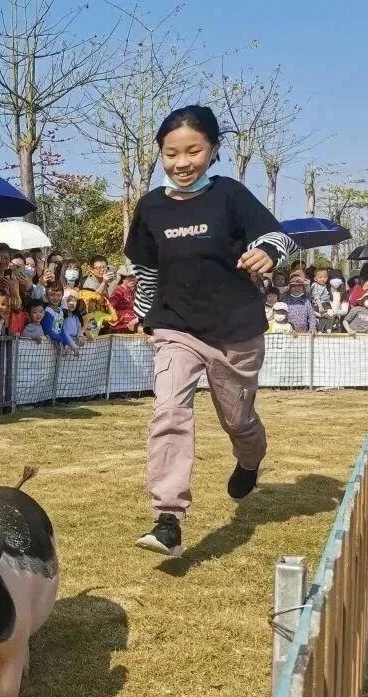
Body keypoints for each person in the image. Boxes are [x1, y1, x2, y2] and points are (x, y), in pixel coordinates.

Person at [125, 104, 297, 557]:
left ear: (214, 150)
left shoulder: (230, 195)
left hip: (235, 329)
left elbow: (279, 237)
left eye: (193, 151)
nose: (182, 162)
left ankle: (250, 459)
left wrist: (267, 253)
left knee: (237, 420)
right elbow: (146, 269)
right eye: (171, 154)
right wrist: (145, 315)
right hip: (176, 326)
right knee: (168, 412)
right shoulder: (151, 207)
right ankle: (167, 518)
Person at [41, 283, 74, 352]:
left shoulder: (61, 311)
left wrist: (65, 343)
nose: (55, 298)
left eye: (58, 295)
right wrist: (60, 339)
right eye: (52, 295)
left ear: (62, 296)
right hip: (47, 347)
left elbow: (60, 329)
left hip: (57, 345)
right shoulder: (47, 312)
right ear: (46, 296)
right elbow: (48, 330)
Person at [108, 268, 140, 333]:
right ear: (123, 278)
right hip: (121, 328)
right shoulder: (119, 291)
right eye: (129, 277)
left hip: (130, 327)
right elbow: (110, 304)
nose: (132, 280)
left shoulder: (130, 291)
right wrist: (118, 317)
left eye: (134, 277)